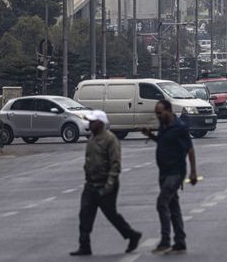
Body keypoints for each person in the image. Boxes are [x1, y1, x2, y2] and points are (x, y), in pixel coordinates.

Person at [72, 111, 141, 256]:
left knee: (111, 214)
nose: (90, 124)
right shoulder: (92, 138)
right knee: (85, 214)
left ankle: (132, 235)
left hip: (105, 183)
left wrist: (109, 185)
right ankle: (84, 245)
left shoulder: (110, 139)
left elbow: (115, 164)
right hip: (91, 184)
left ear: (101, 123)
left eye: (93, 122)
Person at [141, 100, 198, 254]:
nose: (158, 116)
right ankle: (180, 241)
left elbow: (190, 150)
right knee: (173, 207)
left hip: (175, 173)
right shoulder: (164, 125)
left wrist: (193, 172)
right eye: (156, 113)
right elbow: (162, 141)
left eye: (160, 113)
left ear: (168, 111)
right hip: (164, 173)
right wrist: (150, 135)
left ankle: (165, 241)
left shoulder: (179, 127)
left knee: (162, 203)